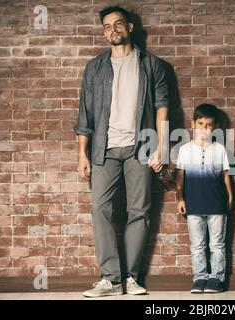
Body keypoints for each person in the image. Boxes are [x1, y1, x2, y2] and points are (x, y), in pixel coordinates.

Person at [74, 5, 169, 297]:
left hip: (140, 148)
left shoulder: (152, 65)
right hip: (104, 149)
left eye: (117, 24)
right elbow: (85, 115)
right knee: (100, 209)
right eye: (106, 26)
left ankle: (130, 277)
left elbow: (162, 108)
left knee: (139, 211)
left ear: (129, 27)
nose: (112, 30)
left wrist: (161, 148)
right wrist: (82, 154)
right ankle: (110, 279)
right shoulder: (95, 67)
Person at [175, 104, 233, 294]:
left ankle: (216, 278)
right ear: (193, 124)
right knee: (197, 245)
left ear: (214, 127)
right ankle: (200, 277)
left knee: (216, 245)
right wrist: (180, 198)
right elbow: (180, 177)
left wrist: (230, 197)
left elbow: (225, 175)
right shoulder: (184, 150)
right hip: (193, 204)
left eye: (208, 125)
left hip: (216, 205)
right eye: (200, 124)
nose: (204, 129)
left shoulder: (220, 149)